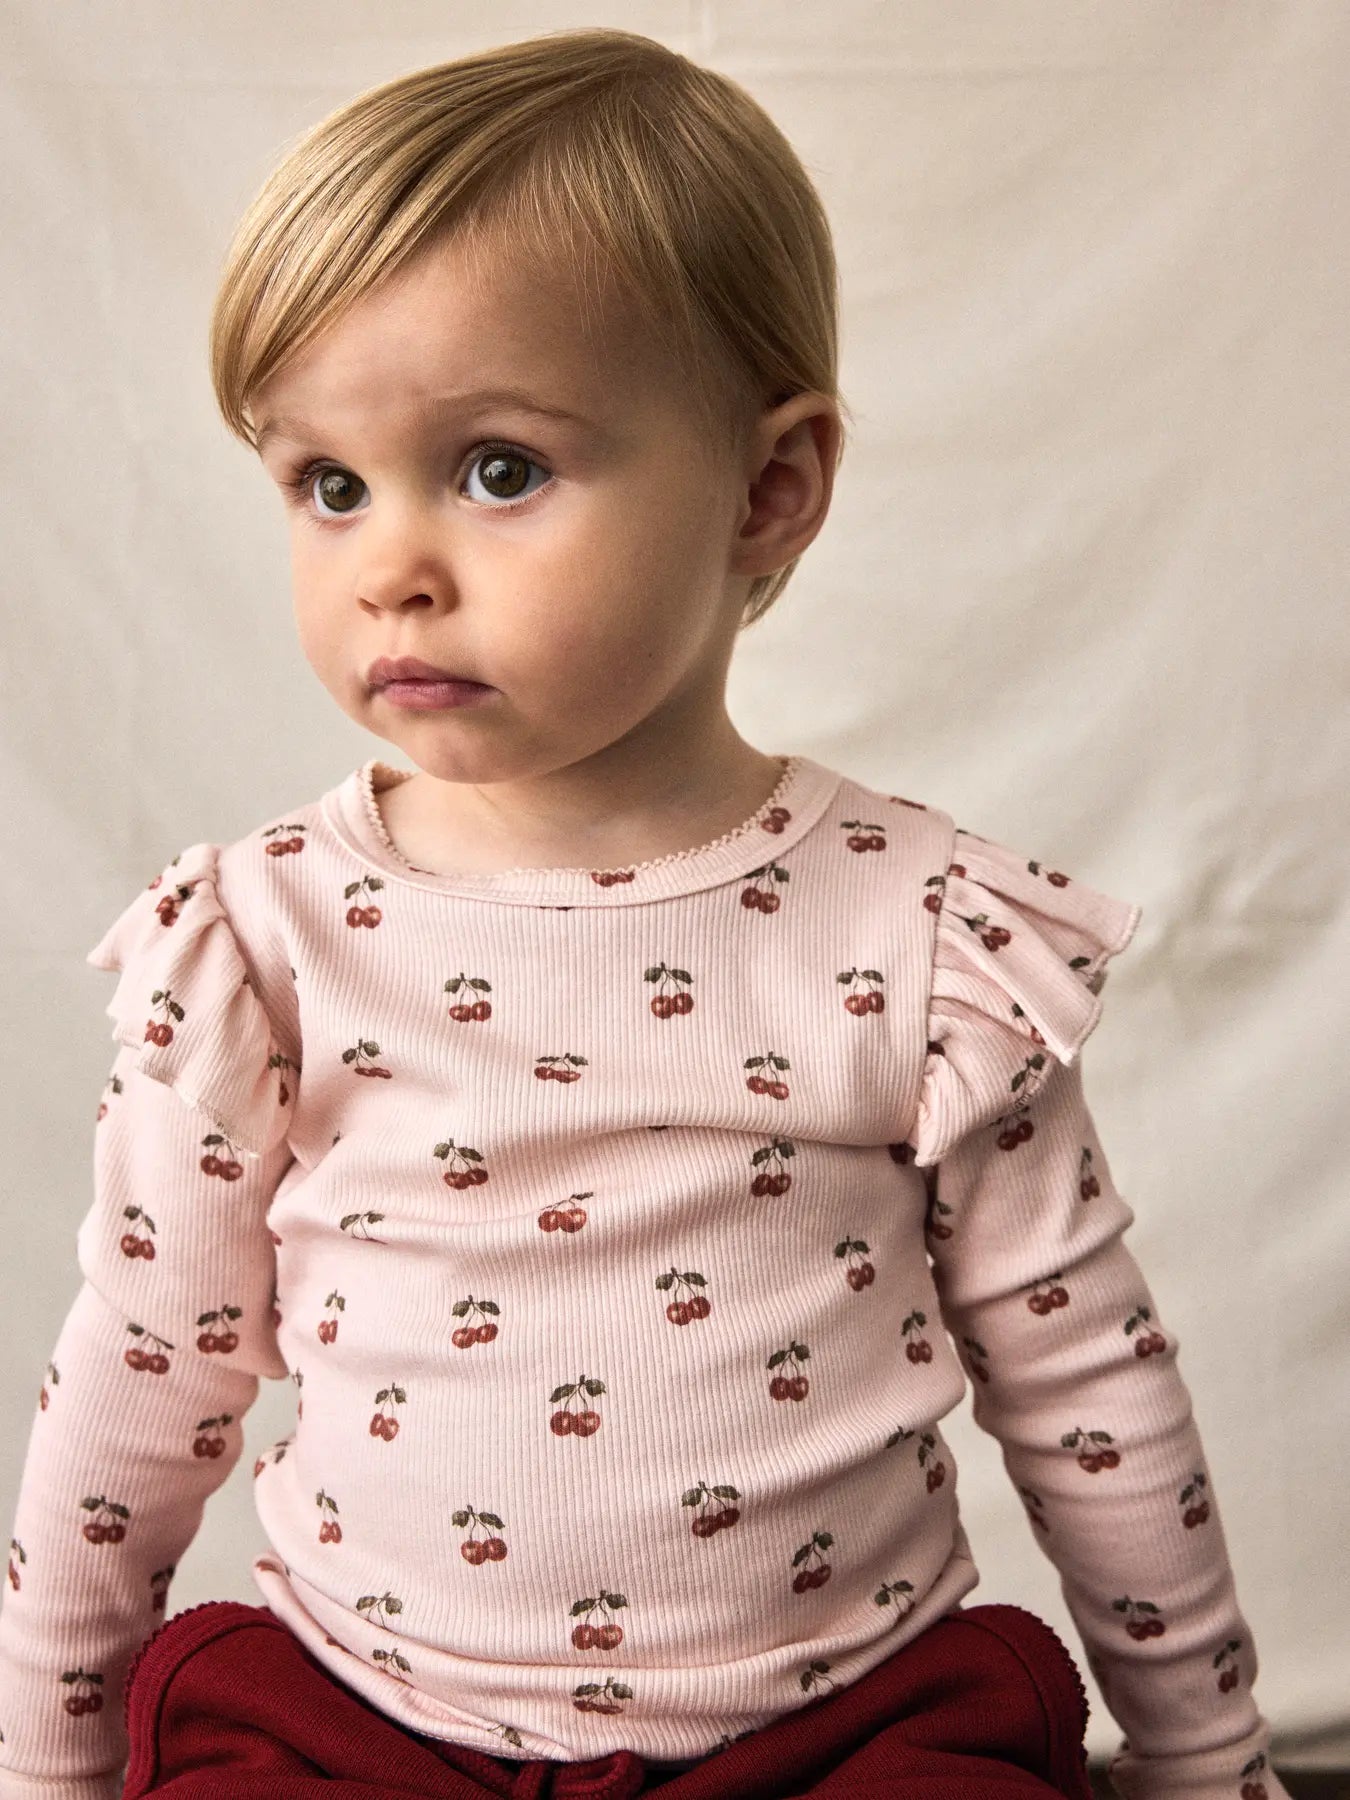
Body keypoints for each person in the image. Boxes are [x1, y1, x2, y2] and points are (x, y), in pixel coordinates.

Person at [0, 26, 1288, 1800]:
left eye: (498, 468)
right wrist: (47, 1767)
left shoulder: (915, 938)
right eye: (328, 484)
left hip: (837, 1728)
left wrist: (1204, 1759)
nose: (390, 570)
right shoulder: (262, 944)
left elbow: (1087, 1386)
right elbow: (142, 1379)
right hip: (370, 1724)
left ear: (768, 488)